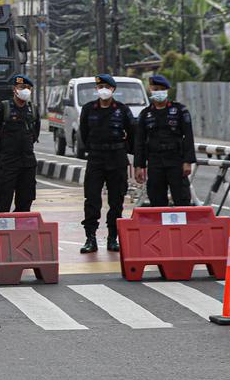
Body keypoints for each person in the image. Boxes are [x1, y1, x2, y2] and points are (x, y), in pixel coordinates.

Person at [78, 74, 136, 253]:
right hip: (96, 158)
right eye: (100, 86)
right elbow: (84, 133)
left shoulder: (122, 109)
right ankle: (90, 238)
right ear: (96, 89)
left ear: (113, 89)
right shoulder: (89, 109)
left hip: (117, 158)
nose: (103, 90)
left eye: (107, 87)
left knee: (116, 200)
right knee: (92, 200)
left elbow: (133, 132)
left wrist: (125, 148)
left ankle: (113, 238)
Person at [134, 74, 196, 207]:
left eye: (162, 89)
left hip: (176, 160)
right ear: (150, 90)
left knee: (182, 198)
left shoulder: (180, 110)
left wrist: (188, 161)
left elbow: (188, 136)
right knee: (156, 200)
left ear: (167, 91)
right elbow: (140, 141)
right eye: (155, 89)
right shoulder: (145, 114)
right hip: (155, 161)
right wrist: (139, 166)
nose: (159, 92)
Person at [0, 74, 40, 213]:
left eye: (28, 88)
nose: (25, 90)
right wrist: (1, 152)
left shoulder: (32, 109)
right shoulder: (3, 107)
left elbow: (35, 132)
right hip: (8, 161)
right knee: (2, 201)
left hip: (28, 162)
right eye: (22, 87)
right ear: (14, 89)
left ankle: (21, 227)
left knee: (26, 201)